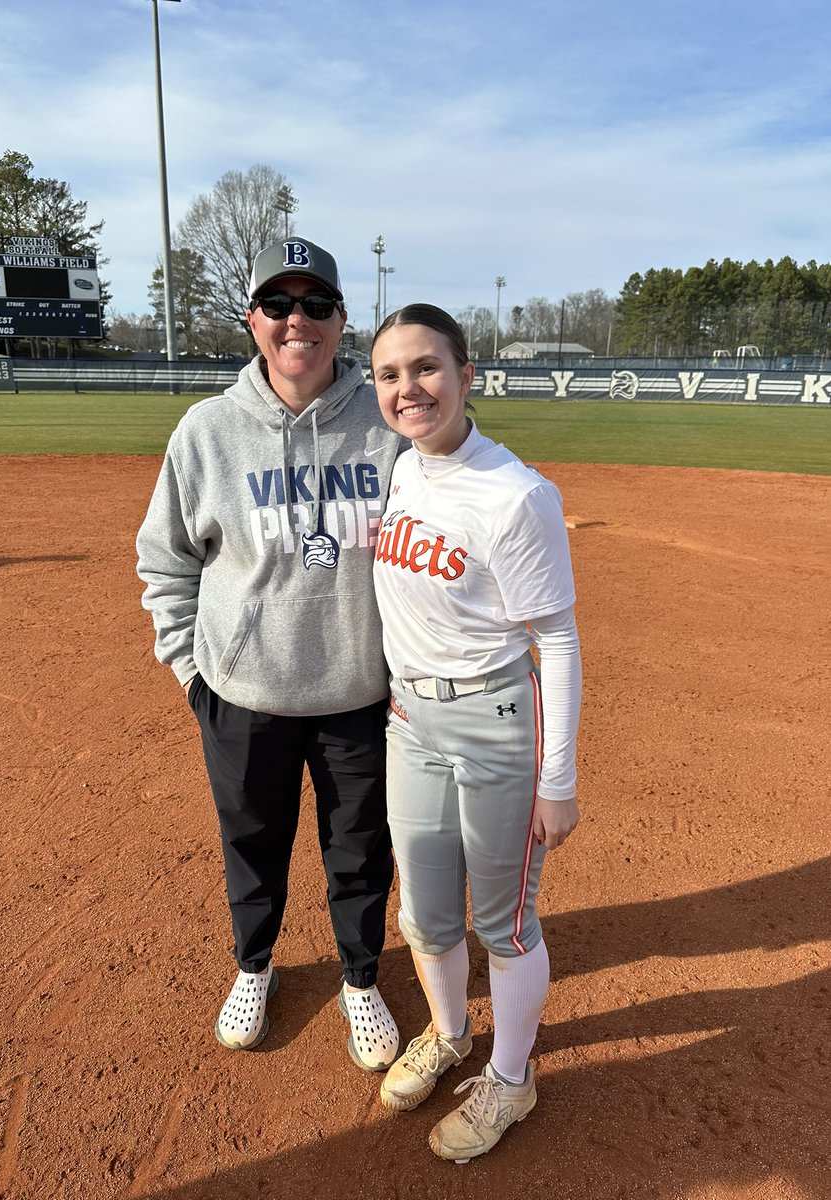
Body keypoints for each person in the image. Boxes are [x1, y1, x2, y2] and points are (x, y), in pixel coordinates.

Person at [136, 238, 405, 1071]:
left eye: (316, 305)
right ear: (253, 320)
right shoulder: (207, 431)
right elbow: (165, 561)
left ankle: (360, 978)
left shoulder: (387, 425)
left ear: (341, 321)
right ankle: (254, 966)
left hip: (359, 691)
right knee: (251, 842)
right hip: (243, 693)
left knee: (361, 849)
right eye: (279, 305)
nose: (298, 321)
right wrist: (193, 673)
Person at [369, 304, 582, 1160]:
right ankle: (451, 1033)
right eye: (389, 374)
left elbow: (556, 640)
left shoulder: (516, 494)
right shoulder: (402, 469)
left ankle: (511, 1078)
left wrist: (557, 782)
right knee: (424, 911)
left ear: (465, 375)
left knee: (504, 921)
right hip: (411, 720)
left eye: (426, 367)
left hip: (496, 722)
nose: (408, 388)